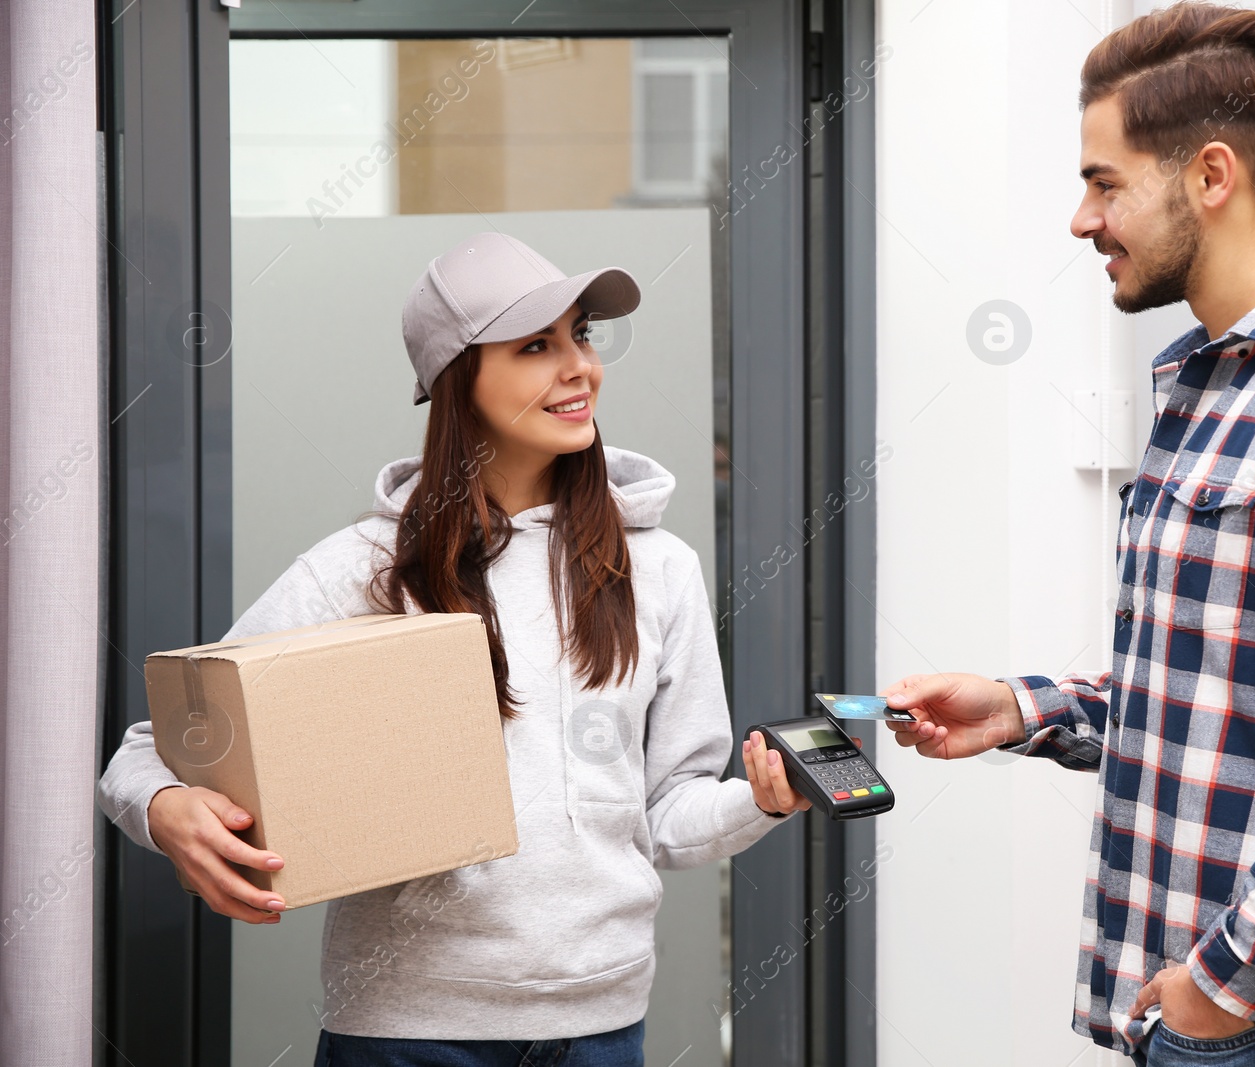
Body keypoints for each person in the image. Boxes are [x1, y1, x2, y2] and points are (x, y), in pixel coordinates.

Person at [884, 6, 1255, 1067]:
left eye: (1104, 182)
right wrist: (1021, 706)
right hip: (1205, 1020)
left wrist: (1224, 980)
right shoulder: (1209, 387)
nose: (1082, 220)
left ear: (1209, 176)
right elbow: (1226, 701)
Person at [97, 231, 812, 1067]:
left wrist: (762, 801)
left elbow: (667, 814)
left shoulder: (657, 567)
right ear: (456, 379)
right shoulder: (362, 570)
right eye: (537, 344)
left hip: (602, 1026)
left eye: (581, 334)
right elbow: (148, 752)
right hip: (407, 1035)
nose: (579, 365)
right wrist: (165, 809)